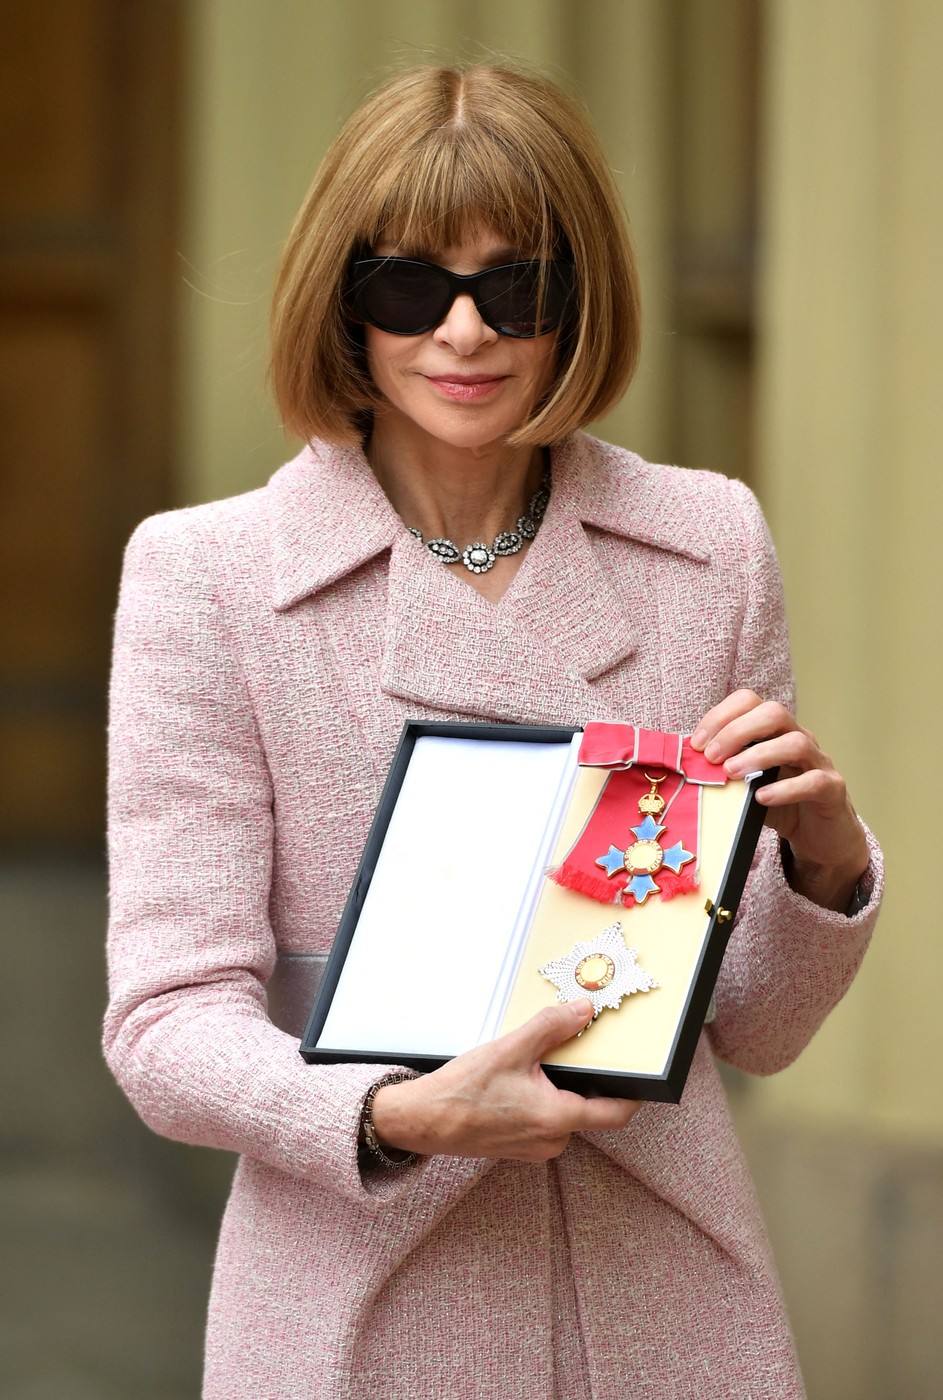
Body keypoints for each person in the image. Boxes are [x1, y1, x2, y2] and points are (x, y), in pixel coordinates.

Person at [104, 64, 882, 1400]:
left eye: (516, 288)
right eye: (409, 286)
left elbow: (748, 1029)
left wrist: (823, 866)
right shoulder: (210, 579)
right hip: (359, 1296)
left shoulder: (707, 546)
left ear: (581, 301)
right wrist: (397, 1114)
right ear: (341, 300)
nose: (463, 332)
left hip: (666, 1294)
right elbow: (168, 1021)